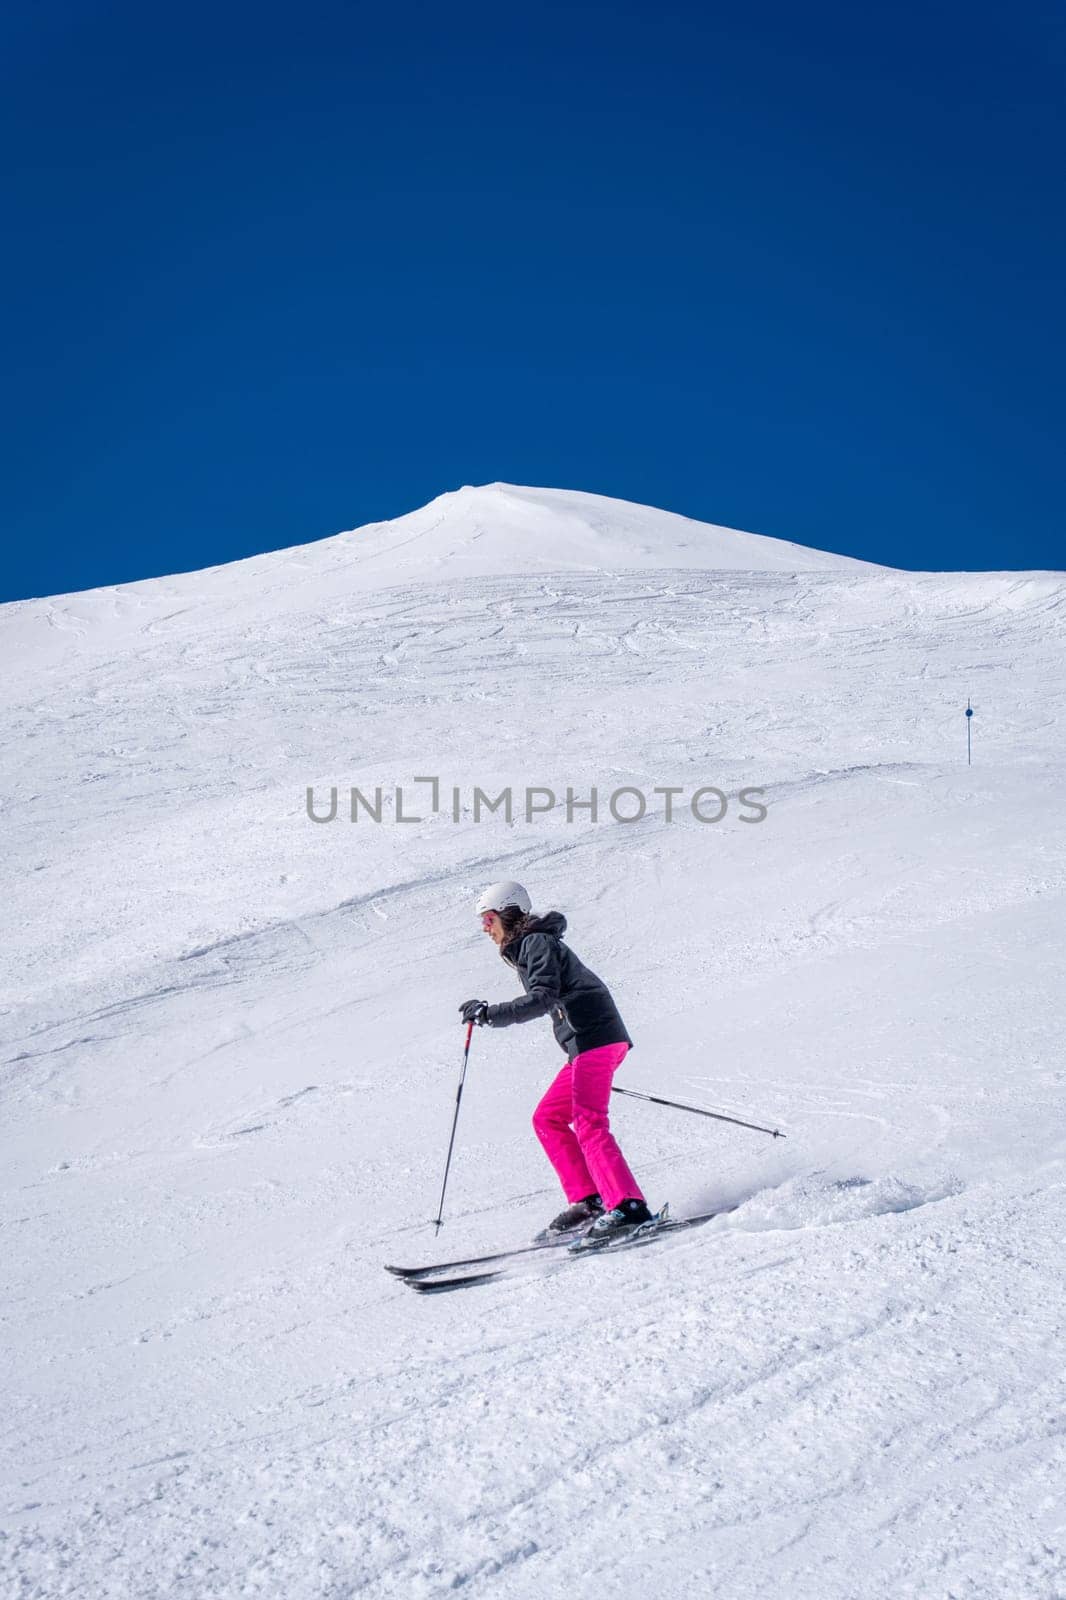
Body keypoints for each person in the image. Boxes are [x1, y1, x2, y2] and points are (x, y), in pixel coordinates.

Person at [459, 879, 652, 1242]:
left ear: (507, 913)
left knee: (588, 1121)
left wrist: (491, 1014)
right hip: (585, 1044)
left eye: (487, 919)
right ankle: (588, 1200)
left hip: (596, 1036)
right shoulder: (527, 947)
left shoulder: (536, 943)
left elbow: (542, 997)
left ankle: (629, 1207)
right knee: (548, 1117)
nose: (485, 929)